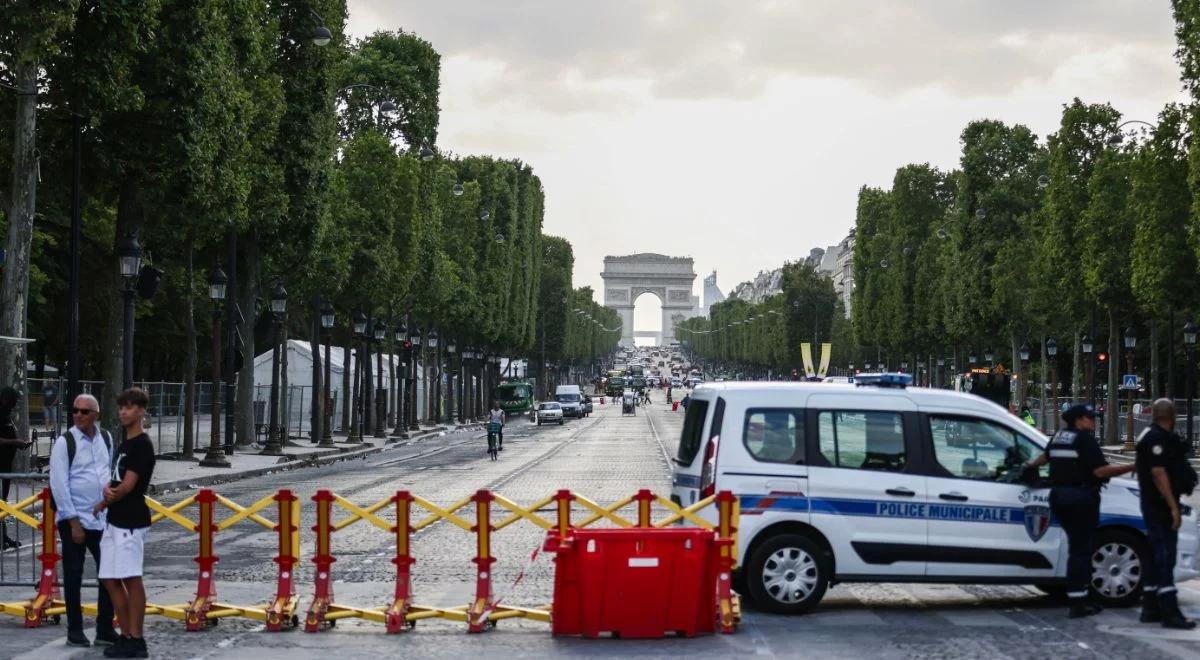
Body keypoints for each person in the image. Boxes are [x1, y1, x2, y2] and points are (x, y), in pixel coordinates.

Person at [1025, 403, 1134, 618]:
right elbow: (1100, 471)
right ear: (1079, 420)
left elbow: (1042, 459)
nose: (1093, 421)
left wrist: (1028, 468)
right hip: (1080, 499)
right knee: (1081, 550)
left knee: (1077, 547)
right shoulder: (1084, 440)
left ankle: (1080, 595)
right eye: (1089, 418)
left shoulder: (1058, 437)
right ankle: (1077, 600)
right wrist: (1132, 467)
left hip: (1059, 498)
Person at [49, 393, 118, 648]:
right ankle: (75, 630)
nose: (78, 414)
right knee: (74, 576)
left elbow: (107, 473)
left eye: (84, 411)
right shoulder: (64, 442)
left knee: (109, 574)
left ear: (95, 415)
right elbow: (59, 484)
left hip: (101, 520)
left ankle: (104, 628)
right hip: (74, 520)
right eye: (75, 410)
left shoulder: (106, 439)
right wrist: (73, 521)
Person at [94, 388, 156, 658]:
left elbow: (128, 486)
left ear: (141, 411)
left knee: (131, 578)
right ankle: (126, 634)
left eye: (129, 407)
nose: (123, 412)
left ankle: (137, 638)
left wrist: (109, 496)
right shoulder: (123, 443)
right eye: (121, 407)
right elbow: (116, 479)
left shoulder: (142, 444)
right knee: (109, 578)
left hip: (131, 520)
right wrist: (106, 498)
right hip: (114, 520)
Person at [1135, 398, 1198, 629]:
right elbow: (1159, 473)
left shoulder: (1149, 436)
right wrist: (1173, 506)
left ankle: (1150, 607)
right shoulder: (1156, 438)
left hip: (1153, 503)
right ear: (1172, 416)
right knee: (1165, 556)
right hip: (1159, 504)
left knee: (1155, 556)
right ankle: (1170, 613)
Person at [0, 387, 33, 550]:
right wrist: (15, 443)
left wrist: (19, 444)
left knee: (2, 504)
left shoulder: (6, 415)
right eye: (13, 401)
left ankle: (3, 537)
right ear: (5, 399)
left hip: (5, 467)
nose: (14, 406)